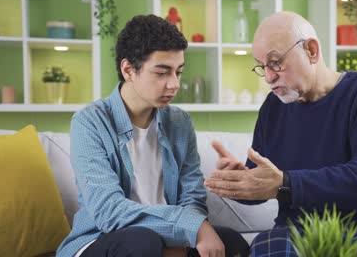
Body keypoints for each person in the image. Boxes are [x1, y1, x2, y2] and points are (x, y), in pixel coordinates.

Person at [204, 11, 357, 256]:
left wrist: (285, 183)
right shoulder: (272, 107)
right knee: (266, 246)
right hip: (298, 231)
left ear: (311, 51)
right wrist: (243, 181)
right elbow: (267, 185)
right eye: (263, 66)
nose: (269, 77)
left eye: (275, 62)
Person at [57, 14, 249, 257]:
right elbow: (109, 212)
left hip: (166, 238)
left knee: (232, 242)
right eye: (162, 73)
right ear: (128, 69)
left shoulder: (180, 122)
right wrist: (193, 228)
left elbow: (193, 198)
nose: (174, 84)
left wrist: (189, 233)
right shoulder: (89, 123)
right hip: (101, 239)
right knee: (141, 243)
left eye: (178, 72)